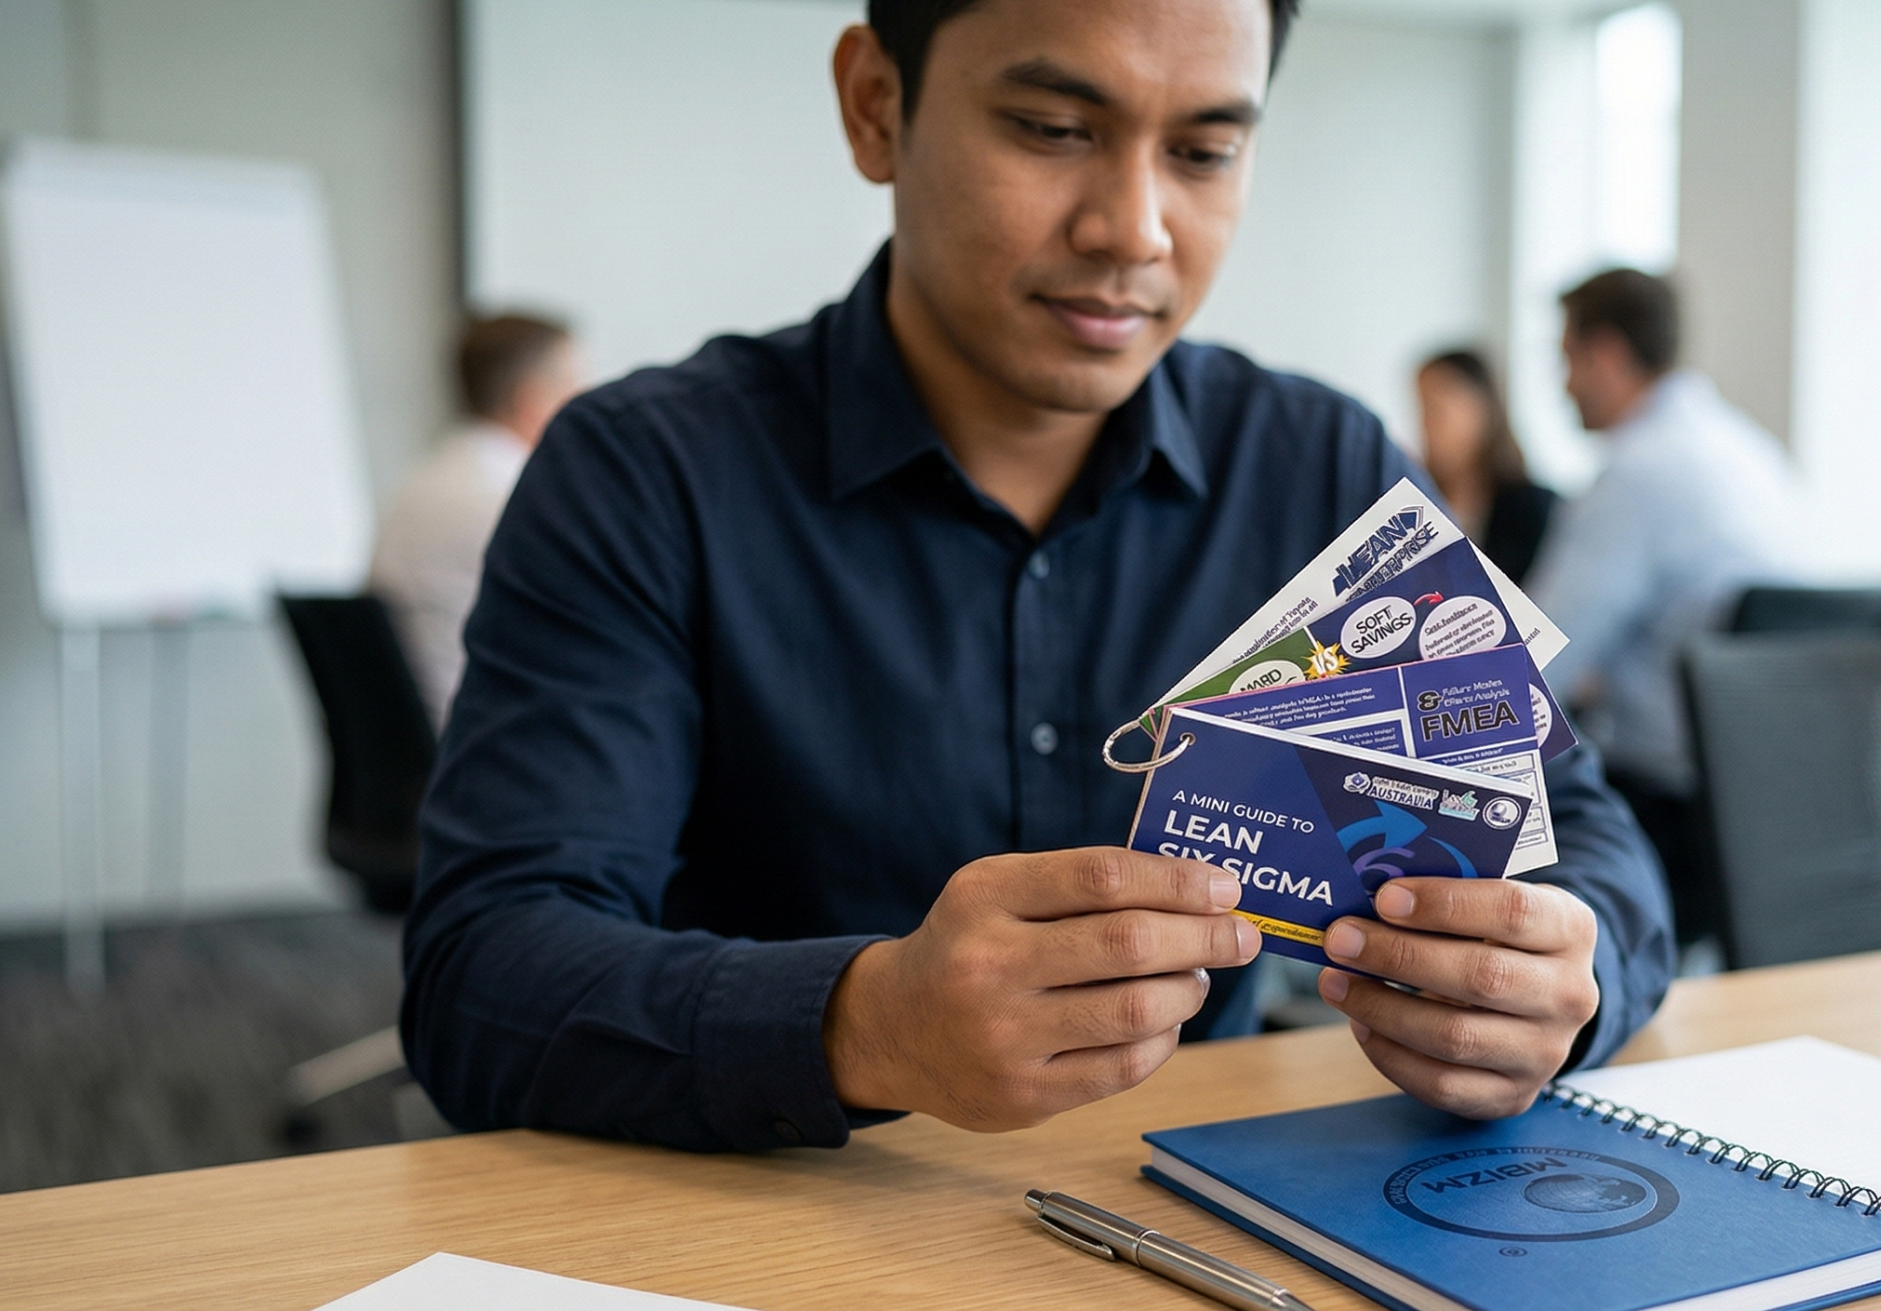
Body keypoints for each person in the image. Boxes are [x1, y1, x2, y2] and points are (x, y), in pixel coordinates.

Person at [402, 0, 1674, 1153]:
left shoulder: (1314, 464)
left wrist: (1567, 980)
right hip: (773, 1242)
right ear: (875, 106)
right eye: (1055, 127)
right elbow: (483, 970)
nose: (1133, 229)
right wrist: (861, 1025)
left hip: (1205, 1226)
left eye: (1204, 151)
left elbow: (1582, 835)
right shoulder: (647, 474)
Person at [1527, 268, 1798, 945]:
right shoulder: (1753, 453)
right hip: (1778, 811)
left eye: (1567, 360)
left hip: (1667, 816)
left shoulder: (1638, 472)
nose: (1563, 386)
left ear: (1607, 355)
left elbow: (1527, 666)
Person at [367, 314, 583, 725]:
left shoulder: (420, 483)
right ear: (532, 400)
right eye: (575, 385)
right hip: (480, 738)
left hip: (410, 738)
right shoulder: (509, 503)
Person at [1414, 349, 1558, 587]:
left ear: (1483, 409)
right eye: (1420, 410)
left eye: (1437, 410)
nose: (1425, 426)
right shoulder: (1419, 508)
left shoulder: (1534, 508)